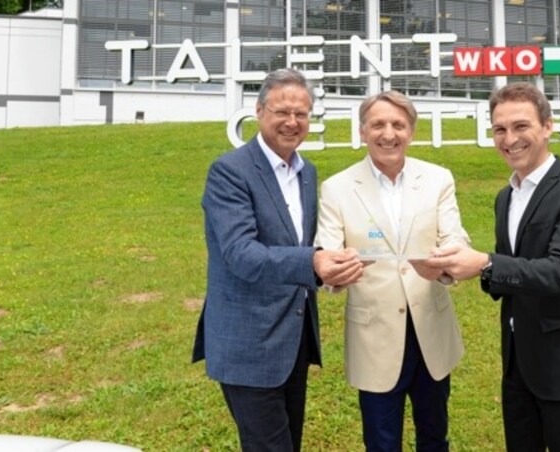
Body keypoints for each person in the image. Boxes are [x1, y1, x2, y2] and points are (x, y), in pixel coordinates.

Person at [419, 82, 560, 451]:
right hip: (518, 363)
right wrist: (455, 267)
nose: (510, 139)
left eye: (521, 126)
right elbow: (512, 269)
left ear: (548, 126)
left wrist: (486, 263)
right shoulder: (506, 197)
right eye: (500, 130)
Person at [192, 68, 364, 452]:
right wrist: (314, 263)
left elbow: (302, 243)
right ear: (258, 111)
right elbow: (240, 254)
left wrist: (334, 265)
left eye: (301, 114)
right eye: (282, 112)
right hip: (247, 343)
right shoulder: (229, 171)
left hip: (292, 340)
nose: (292, 122)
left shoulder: (306, 173)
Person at [314, 90, 470, 451]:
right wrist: (334, 269)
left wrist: (447, 261)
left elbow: (455, 237)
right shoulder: (337, 188)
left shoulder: (438, 179)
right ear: (362, 132)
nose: (389, 133)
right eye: (378, 124)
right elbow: (327, 251)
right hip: (375, 336)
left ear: (411, 132)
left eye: (398, 125)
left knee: (434, 435)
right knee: (382, 442)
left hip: (431, 330)